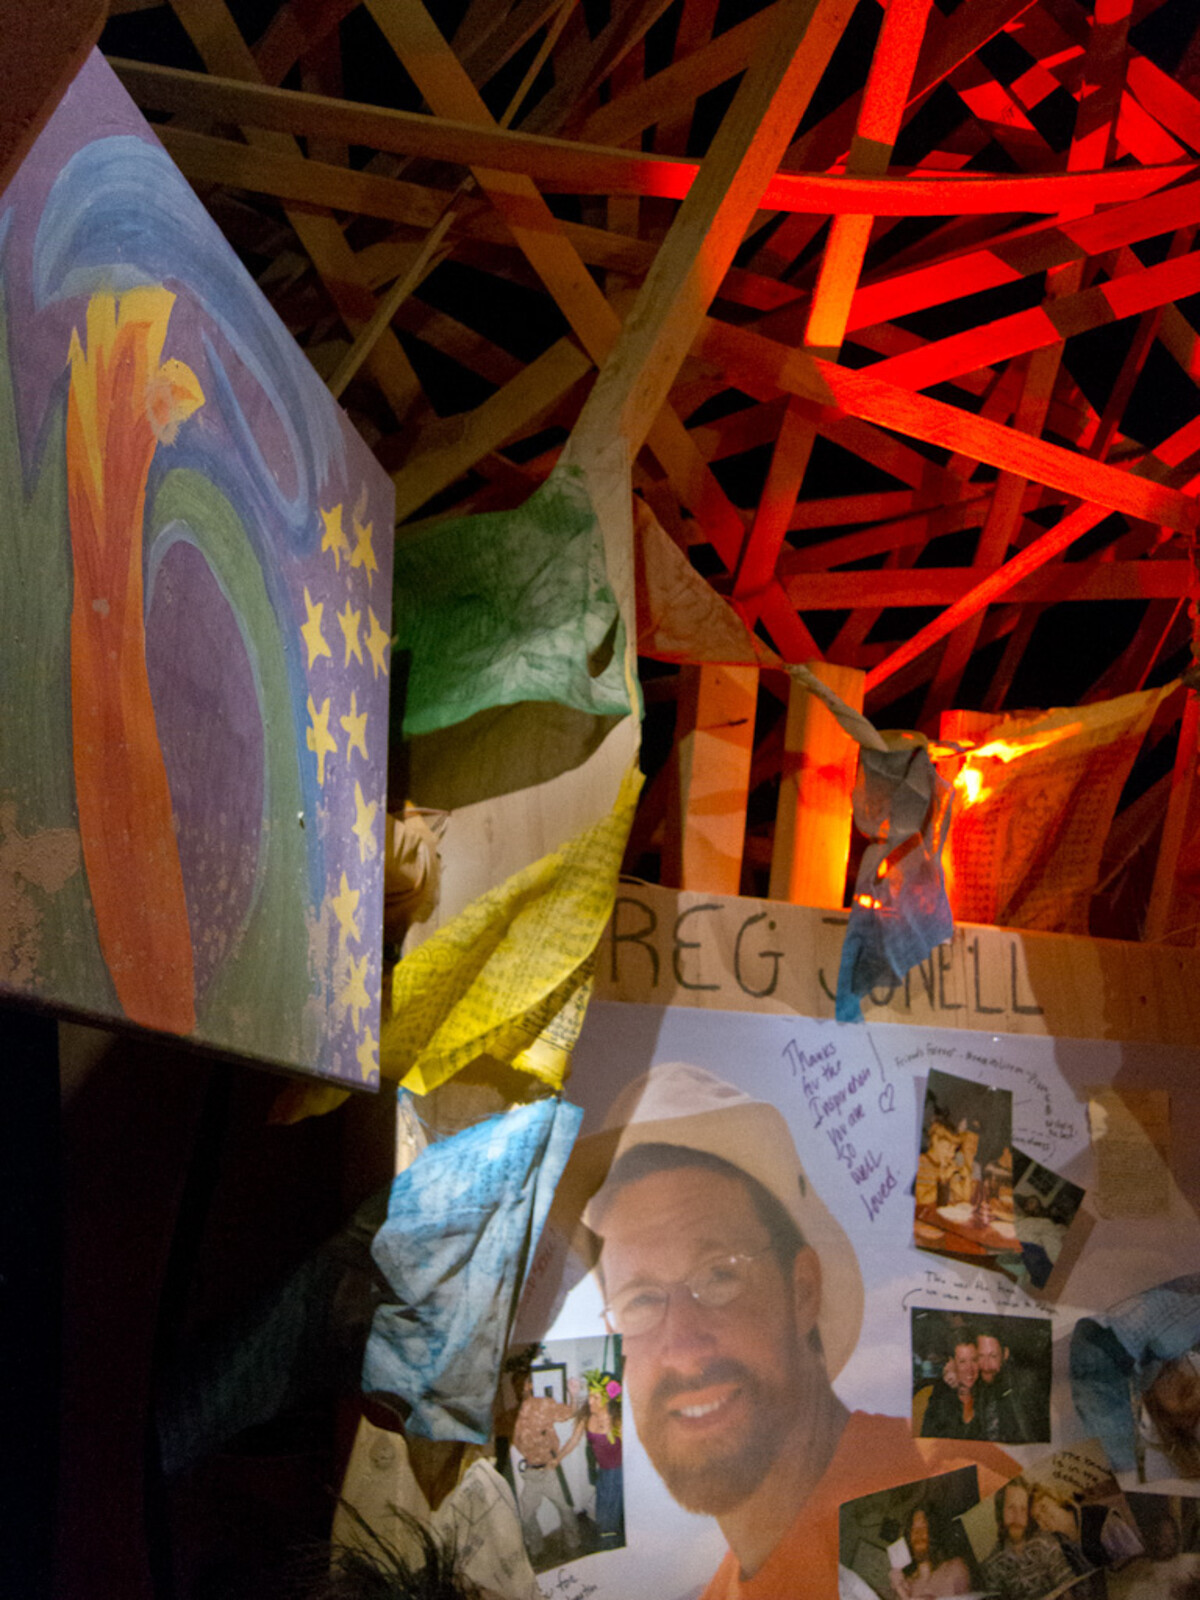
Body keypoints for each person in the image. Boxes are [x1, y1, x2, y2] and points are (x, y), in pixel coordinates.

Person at [583, 1062, 1016, 1599]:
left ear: (803, 1291)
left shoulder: (956, 1484)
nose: (683, 1352)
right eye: (640, 1300)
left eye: (719, 1275)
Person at [510, 1375, 581, 1561]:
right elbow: (515, 1441)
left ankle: (574, 1545)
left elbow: (571, 1413)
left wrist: (573, 1394)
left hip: (550, 1470)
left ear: (530, 1385)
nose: (520, 1387)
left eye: (523, 1383)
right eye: (516, 1384)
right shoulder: (513, 1414)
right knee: (526, 1515)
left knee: (565, 1508)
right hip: (531, 1473)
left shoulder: (544, 1404)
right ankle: (536, 1549)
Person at [979, 1478, 1076, 1600]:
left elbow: (1068, 1586)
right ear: (1000, 1512)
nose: (1017, 1517)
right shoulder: (991, 1567)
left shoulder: (1046, 1543)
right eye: (1011, 1508)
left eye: (1023, 1509)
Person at [560, 1369, 625, 1546]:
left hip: (618, 1475)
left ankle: (609, 1552)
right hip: (602, 1472)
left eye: (596, 1398)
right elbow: (573, 1440)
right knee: (605, 1517)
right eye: (590, 1395)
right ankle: (611, 1547)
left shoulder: (618, 1419)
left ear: (608, 1398)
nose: (590, 1401)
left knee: (607, 1521)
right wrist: (557, 1459)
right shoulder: (587, 1415)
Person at [887, 1506, 971, 1598]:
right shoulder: (908, 1585)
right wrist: (900, 1589)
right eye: (913, 1529)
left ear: (934, 1532)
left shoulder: (955, 1568)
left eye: (924, 1527)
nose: (918, 1533)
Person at [1118, 1508, 1200, 1600]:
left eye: (1171, 1536)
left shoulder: (1189, 1561)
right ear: (1153, 1538)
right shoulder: (1143, 1578)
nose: (1167, 1541)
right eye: (1162, 1536)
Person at [921, 1337, 980, 1439]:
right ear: (951, 1363)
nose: (969, 1368)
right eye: (962, 1361)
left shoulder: (989, 1392)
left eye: (974, 1360)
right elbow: (929, 1438)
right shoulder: (941, 1393)